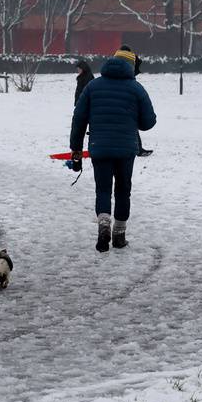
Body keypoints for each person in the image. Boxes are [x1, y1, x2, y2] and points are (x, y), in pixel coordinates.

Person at [69, 44, 157, 252]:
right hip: (126, 149)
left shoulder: (93, 86)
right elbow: (148, 122)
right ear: (131, 65)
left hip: (100, 147)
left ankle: (103, 225)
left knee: (103, 189)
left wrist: (76, 150)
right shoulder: (136, 88)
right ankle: (119, 235)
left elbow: (79, 119)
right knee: (123, 190)